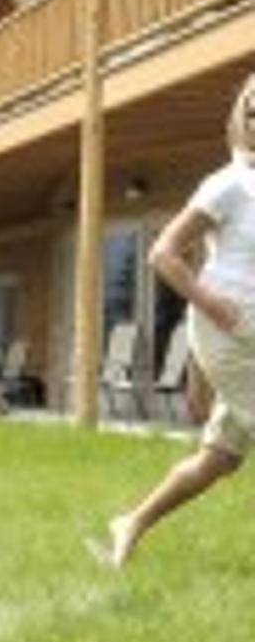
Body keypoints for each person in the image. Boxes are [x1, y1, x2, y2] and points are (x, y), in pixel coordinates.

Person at [93, 73, 255, 568]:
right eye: (252, 108)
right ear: (241, 121)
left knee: (220, 457)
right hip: (232, 328)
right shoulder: (229, 183)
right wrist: (210, 303)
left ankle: (132, 522)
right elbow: (164, 254)